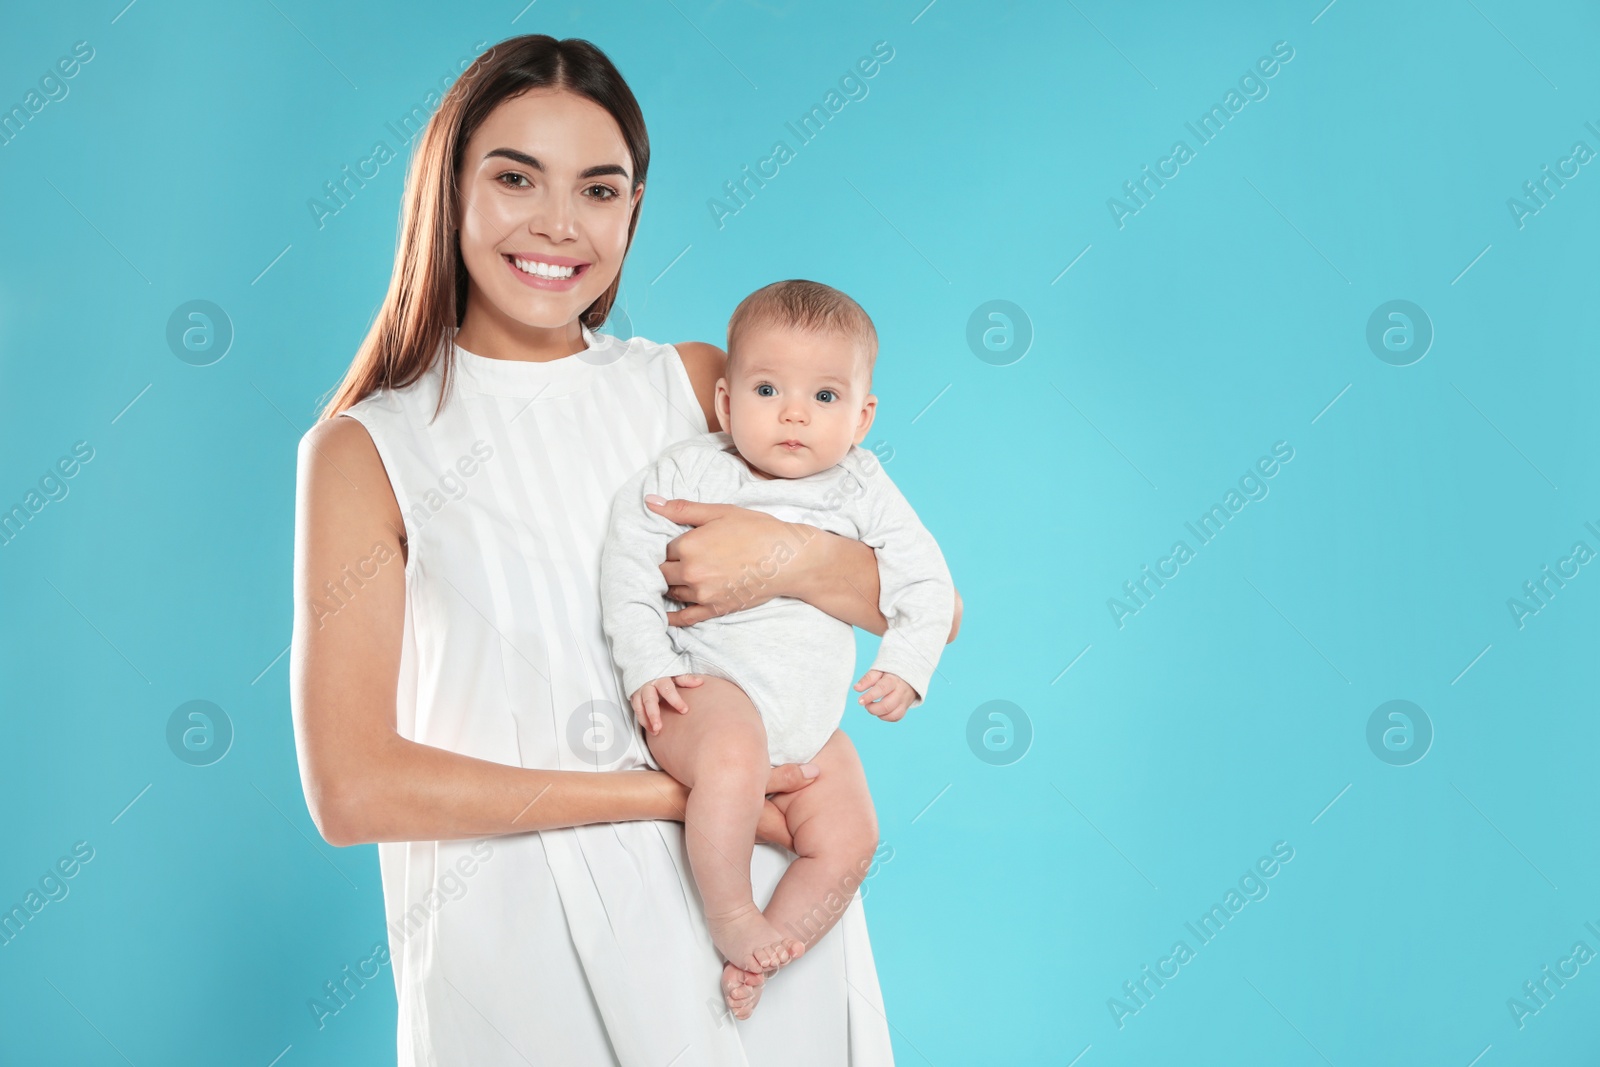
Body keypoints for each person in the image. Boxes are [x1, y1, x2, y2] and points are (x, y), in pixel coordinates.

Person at [289, 33, 963, 1066]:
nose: (559, 224)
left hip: (756, 948)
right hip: (529, 950)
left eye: (599, 190)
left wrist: (781, 559)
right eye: (516, 177)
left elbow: (911, 600)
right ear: (448, 189)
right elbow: (354, 788)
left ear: (634, 209)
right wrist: (684, 792)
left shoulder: (692, 384)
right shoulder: (367, 446)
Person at [599, 278, 956, 994]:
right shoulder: (696, 467)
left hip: (811, 722)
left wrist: (908, 663)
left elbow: (927, 583)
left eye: (825, 397)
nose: (794, 413)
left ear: (862, 416)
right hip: (709, 692)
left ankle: (767, 950)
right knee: (733, 754)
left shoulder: (862, 486)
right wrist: (646, 663)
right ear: (727, 401)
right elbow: (627, 560)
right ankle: (732, 913)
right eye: (767, 390)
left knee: (853, 837)